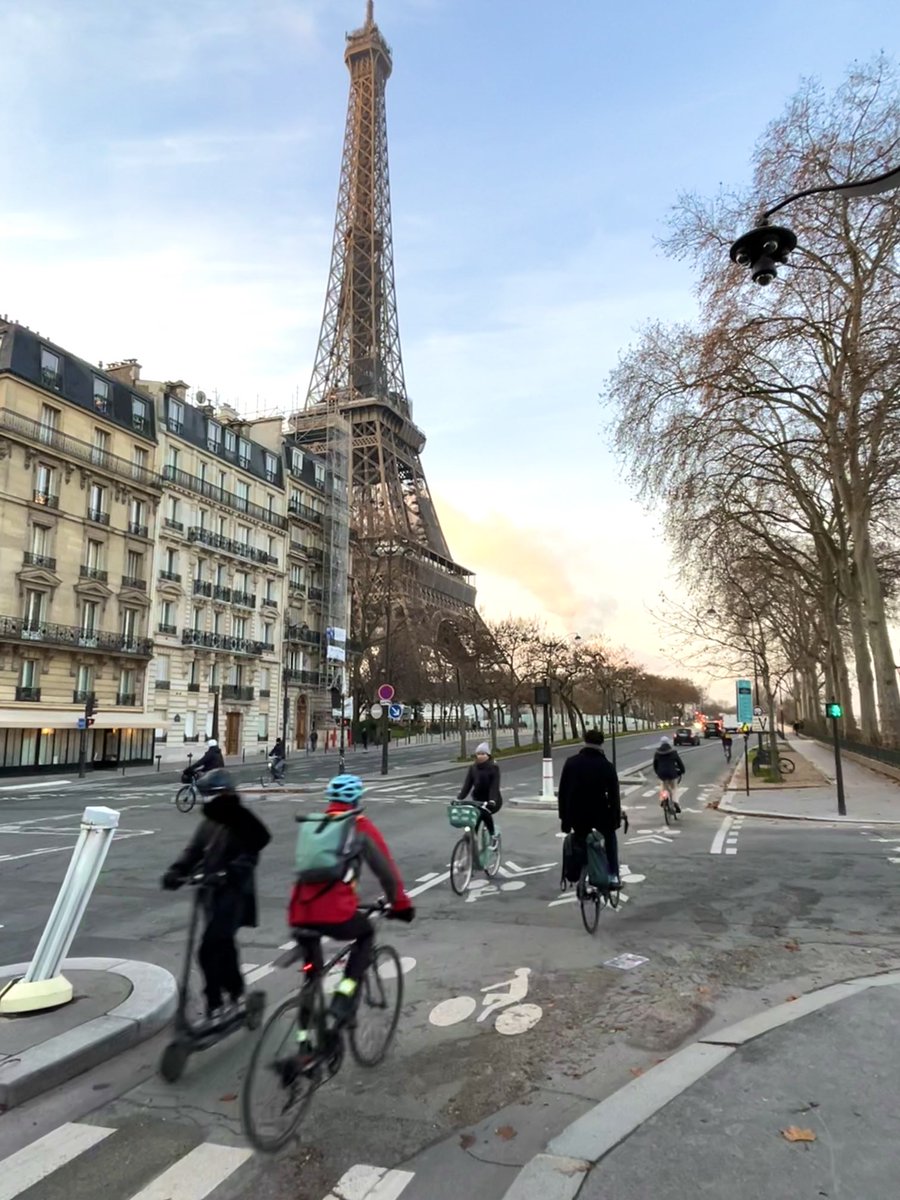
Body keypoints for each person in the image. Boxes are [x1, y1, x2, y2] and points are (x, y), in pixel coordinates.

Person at [287, 774, 414, 1042]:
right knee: (366, 934)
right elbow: (387, 873)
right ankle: (344, 997)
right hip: (334, 912)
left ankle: (303, 1047)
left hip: (299, 912)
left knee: (312, 979)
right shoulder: (359, 826)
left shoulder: (316, 824)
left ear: (330, 800)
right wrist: (401, 905)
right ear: (357, 799)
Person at [162, 769, 271, 1021]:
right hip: (211, 895)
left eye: (213, 795)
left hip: (234, 896)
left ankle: (214, 1001)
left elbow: (249, 858)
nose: (209, 801)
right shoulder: (209, 823)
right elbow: (193, 851)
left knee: (208, 950)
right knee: (224, 947)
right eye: (207, 796)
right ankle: (236, 991)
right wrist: (176, 871)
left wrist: (226, 874)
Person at [557, 729, 622, 887]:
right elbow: (614, 795)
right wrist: (616, 818)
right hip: (600, 814)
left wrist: (564, 819)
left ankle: (579, 872)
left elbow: (563, 792)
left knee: (579, 838)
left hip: (576, 814)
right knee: (610, 838)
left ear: (584, 741)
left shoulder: (571, 762)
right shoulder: (606, 765)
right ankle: (613, 874)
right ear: (601, 744)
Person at [456, 742, 502, 846]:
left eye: (483, 753)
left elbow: (494, 786)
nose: (480, 756)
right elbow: (467, 785)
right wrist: (459, 798)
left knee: (484, 813)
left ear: (488, 755)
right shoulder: (473, 768)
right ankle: (472, 844)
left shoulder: (493, 767)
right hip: (477, 799)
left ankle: (492, 835)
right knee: (474, 820)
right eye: (478, 753)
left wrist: (492, 800)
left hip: (492, 800)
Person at [653, 736, 685, 812]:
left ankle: (662, 800)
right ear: (668, 742)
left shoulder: (657, 753)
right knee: (674, 788)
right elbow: (679, 762)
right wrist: (682, 770)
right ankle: (675, 802)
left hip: (662, 774)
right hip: (672, 773)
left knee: (663, 786)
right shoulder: (673, 752)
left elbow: (655, 764)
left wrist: (657, 773)